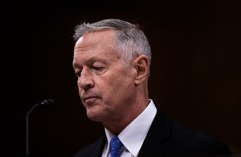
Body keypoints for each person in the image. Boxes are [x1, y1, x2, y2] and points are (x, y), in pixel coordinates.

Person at [72, 19, 232, 157]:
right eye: (78, 73)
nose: (83, 82)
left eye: (97, 67)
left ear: (139, 70)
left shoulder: (201, 152)